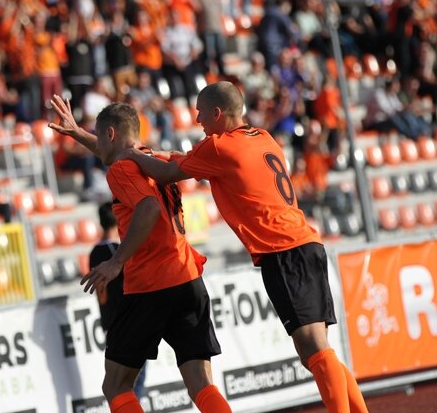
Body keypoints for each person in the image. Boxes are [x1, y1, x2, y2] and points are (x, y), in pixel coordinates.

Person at [117, 82, 368, 413]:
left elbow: (165, 173)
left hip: (282, 250)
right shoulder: (262, 136)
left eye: (201, 113)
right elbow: (187, 161)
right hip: (306, 244)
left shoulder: (219, 147)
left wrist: (132, 153)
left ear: (217, 113)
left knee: (314, 350)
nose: (197, 119)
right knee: (319, 351)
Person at [49, 95, 231, 413]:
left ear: (110, 134)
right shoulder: (158, 159)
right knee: (201, 384)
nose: (98, 145)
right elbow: (114, 154)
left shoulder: (121, 169)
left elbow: (147, 208)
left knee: (116, 386)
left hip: (150, 284)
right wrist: (78, 133)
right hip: (188, 277)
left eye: (99, 136)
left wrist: (116, 262)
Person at [89, 202, 146, 400]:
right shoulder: (118, 252)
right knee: (135, 381)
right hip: (129, 320)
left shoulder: (94, 253)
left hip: (110, 322)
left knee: (120, 381)